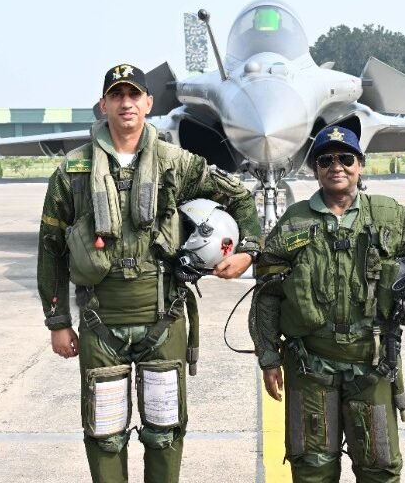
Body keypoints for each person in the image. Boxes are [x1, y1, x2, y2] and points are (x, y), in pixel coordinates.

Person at [38, 64, 263, 483]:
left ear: (148, 103)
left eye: (133, 95)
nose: (126, 103)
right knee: (104, 434)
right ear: (103, 105)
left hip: (164, 319)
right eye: (117, 95)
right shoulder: (73, 171)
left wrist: (248, 252)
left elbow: (240, 199)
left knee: (165, 432)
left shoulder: (175, 163)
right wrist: (58, 321)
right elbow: (51, 248)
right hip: (100, 322)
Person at [249, 125, 405, 483]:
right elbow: (266, 294)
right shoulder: (295, 221)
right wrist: (268, 357)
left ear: (360, 164)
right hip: (309, 365)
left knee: (379, 469)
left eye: (346, 158)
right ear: (315, 169)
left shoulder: (390, 216)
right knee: (311, 470)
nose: (336, 166)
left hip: (372, 365)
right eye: (325, 160)